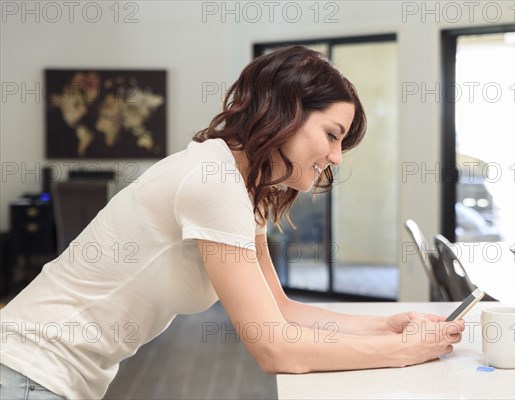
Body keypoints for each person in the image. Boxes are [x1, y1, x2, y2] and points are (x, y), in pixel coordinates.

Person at [0, 46, 464, 399]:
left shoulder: (246, 187)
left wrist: (387, 326)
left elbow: (280, 311)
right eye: (331, 135)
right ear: (286, 112)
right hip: (26, 369)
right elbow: (275, 347)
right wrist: (408, 351)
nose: (336, 159)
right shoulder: (213, 180)